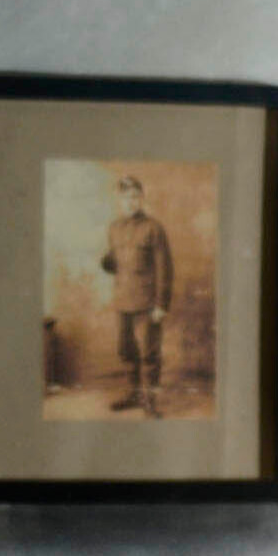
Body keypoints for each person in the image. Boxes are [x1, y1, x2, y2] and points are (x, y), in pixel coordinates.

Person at [100, 174, 173, 416]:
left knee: (150, 353)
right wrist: (107, 263)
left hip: (147, 302)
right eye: (126, 197)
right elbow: (116, 263)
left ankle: (149, 401)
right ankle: (133, 394)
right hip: (122, 300)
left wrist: (161, 304)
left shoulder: (154, 228)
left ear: (141, 198)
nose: (131, 202)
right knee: (126, 350)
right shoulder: (114, 228)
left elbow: (165, 268)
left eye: (135, 196)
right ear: (119, 200)